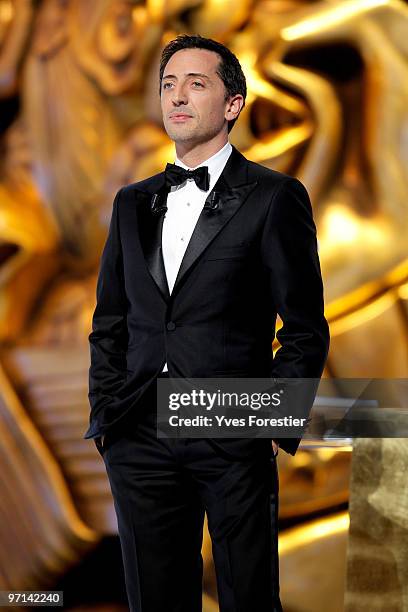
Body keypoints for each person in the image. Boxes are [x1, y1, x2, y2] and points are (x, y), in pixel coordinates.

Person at [84, 34, 330, 612]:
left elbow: (304, 327)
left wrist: (271, 425)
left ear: (232, 104)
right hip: (138, 428)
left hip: (232, 424)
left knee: (248, 597)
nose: (177, 97)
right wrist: (108, 416)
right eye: (169, 84)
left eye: (196, 84)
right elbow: (110, 320)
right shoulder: (130, 204)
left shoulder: (274, 198)